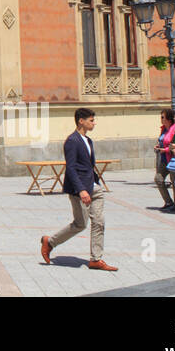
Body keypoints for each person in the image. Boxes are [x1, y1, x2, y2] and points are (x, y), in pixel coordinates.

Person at [41, 108, 117, 271]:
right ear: (81, 121)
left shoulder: (88, 141)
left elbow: (88, 165)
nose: (93, 123)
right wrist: (81, 190)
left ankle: (96, 259)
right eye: (91, 120)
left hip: (94, 187)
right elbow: (71, 168)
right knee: (80, 224)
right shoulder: (72, 141)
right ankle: (50, 242)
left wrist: (95, 184)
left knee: (99, 222)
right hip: (79, 189)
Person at [154, 108, 175, 212]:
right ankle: (168, 202)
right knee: (158, 178)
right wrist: (158, 146)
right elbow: (162, 140)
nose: (161, 119)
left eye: (162, 117)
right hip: (164, 159)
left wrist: (165, 149)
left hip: (173, 159)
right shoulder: (164, 129)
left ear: (169, 118)